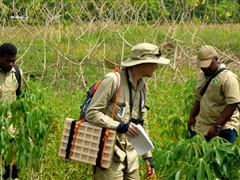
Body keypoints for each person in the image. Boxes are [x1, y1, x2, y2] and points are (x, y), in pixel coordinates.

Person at [86, 43, 170, 180]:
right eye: (154, 63)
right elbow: (92, 113)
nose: (156, 67)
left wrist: (147, 157)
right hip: (109, 155)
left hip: (131, 157)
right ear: (142, 63)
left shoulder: (143, 87)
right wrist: (119, 126)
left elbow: (142, 124)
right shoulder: (113, 80)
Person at [188, 45, 240, 143]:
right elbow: (198, 98)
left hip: (225, 126)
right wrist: (192, 116)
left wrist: (217, 126)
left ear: (216, 59)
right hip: (203, 124)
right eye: (202, 65)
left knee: (220, 157)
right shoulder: (202, 76)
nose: (204, 68)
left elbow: (232, 104)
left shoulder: (228, 78)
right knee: (194, 154)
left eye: (207, 64)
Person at [0, 43, 28, 179]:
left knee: (12, 168)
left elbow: (23, 99)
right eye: (7, 61)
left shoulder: (17, 73)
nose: (11, 64)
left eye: (13, 61)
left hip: (12, 128)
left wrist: (26, 126)